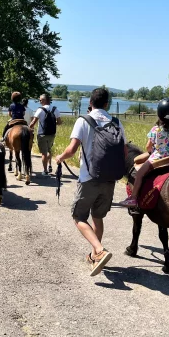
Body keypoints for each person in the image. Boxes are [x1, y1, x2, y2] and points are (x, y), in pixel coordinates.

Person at [55, 88, 127, 276]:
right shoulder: (117, 123)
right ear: (106, 104)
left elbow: (72, 149)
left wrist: (59, 158)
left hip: (88, 179)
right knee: (98, 217)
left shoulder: (83, 120)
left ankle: (100, 249)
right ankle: (95, 256)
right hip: (110, 180)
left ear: (90, 103)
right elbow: (124, 153)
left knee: (78, 217)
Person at [119, 97, 169, 207]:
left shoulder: (156, 129)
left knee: (139, 174)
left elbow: (148, 147)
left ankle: (133, 198)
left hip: (158, 157)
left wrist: (151, 151)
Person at [29, 93, 62, 175]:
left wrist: (29, 128)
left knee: (44, 153)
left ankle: (45, 170)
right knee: (49, 150)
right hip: (52, 134)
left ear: (44, 100)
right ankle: (50, 165)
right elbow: (59, 122)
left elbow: (33, 122)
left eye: (40, 100)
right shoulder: (55, 109)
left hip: (42, 134)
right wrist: (53, 123)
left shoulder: (40, 110)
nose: (39, 101)